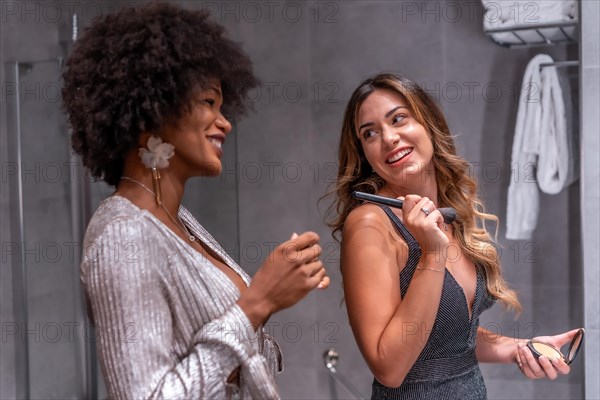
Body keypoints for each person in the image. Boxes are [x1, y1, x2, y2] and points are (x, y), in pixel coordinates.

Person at [62, 3, 329, 399]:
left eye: (222, 106)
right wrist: (257, 303)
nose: (225, 121)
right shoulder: (123, 237)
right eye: (208, 102)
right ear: (149, 111)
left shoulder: (176, 219)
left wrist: (270, 298)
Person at [327, 73, 579, 399]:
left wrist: (519, 348)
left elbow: (449, 342)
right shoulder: (369, 225)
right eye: (370, 133)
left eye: (399, 118)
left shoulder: (447, 211)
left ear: (428, 123)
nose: (388, 137)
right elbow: (389, 368)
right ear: (364, 154)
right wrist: (432, 255)